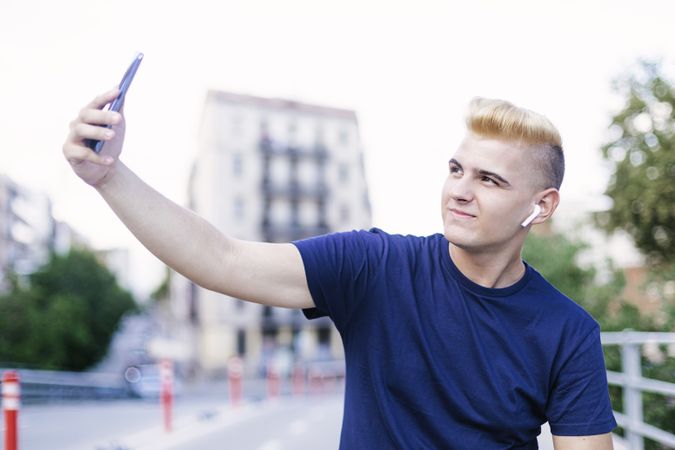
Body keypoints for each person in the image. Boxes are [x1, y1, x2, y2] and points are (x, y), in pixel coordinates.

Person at [63, 88, 617, 449]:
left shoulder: (568, 332)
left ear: (541, 206)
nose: (459, 192)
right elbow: (219, 257)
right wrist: (109, 176)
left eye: (489, 180)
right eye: (456, 169)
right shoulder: (375, 267)